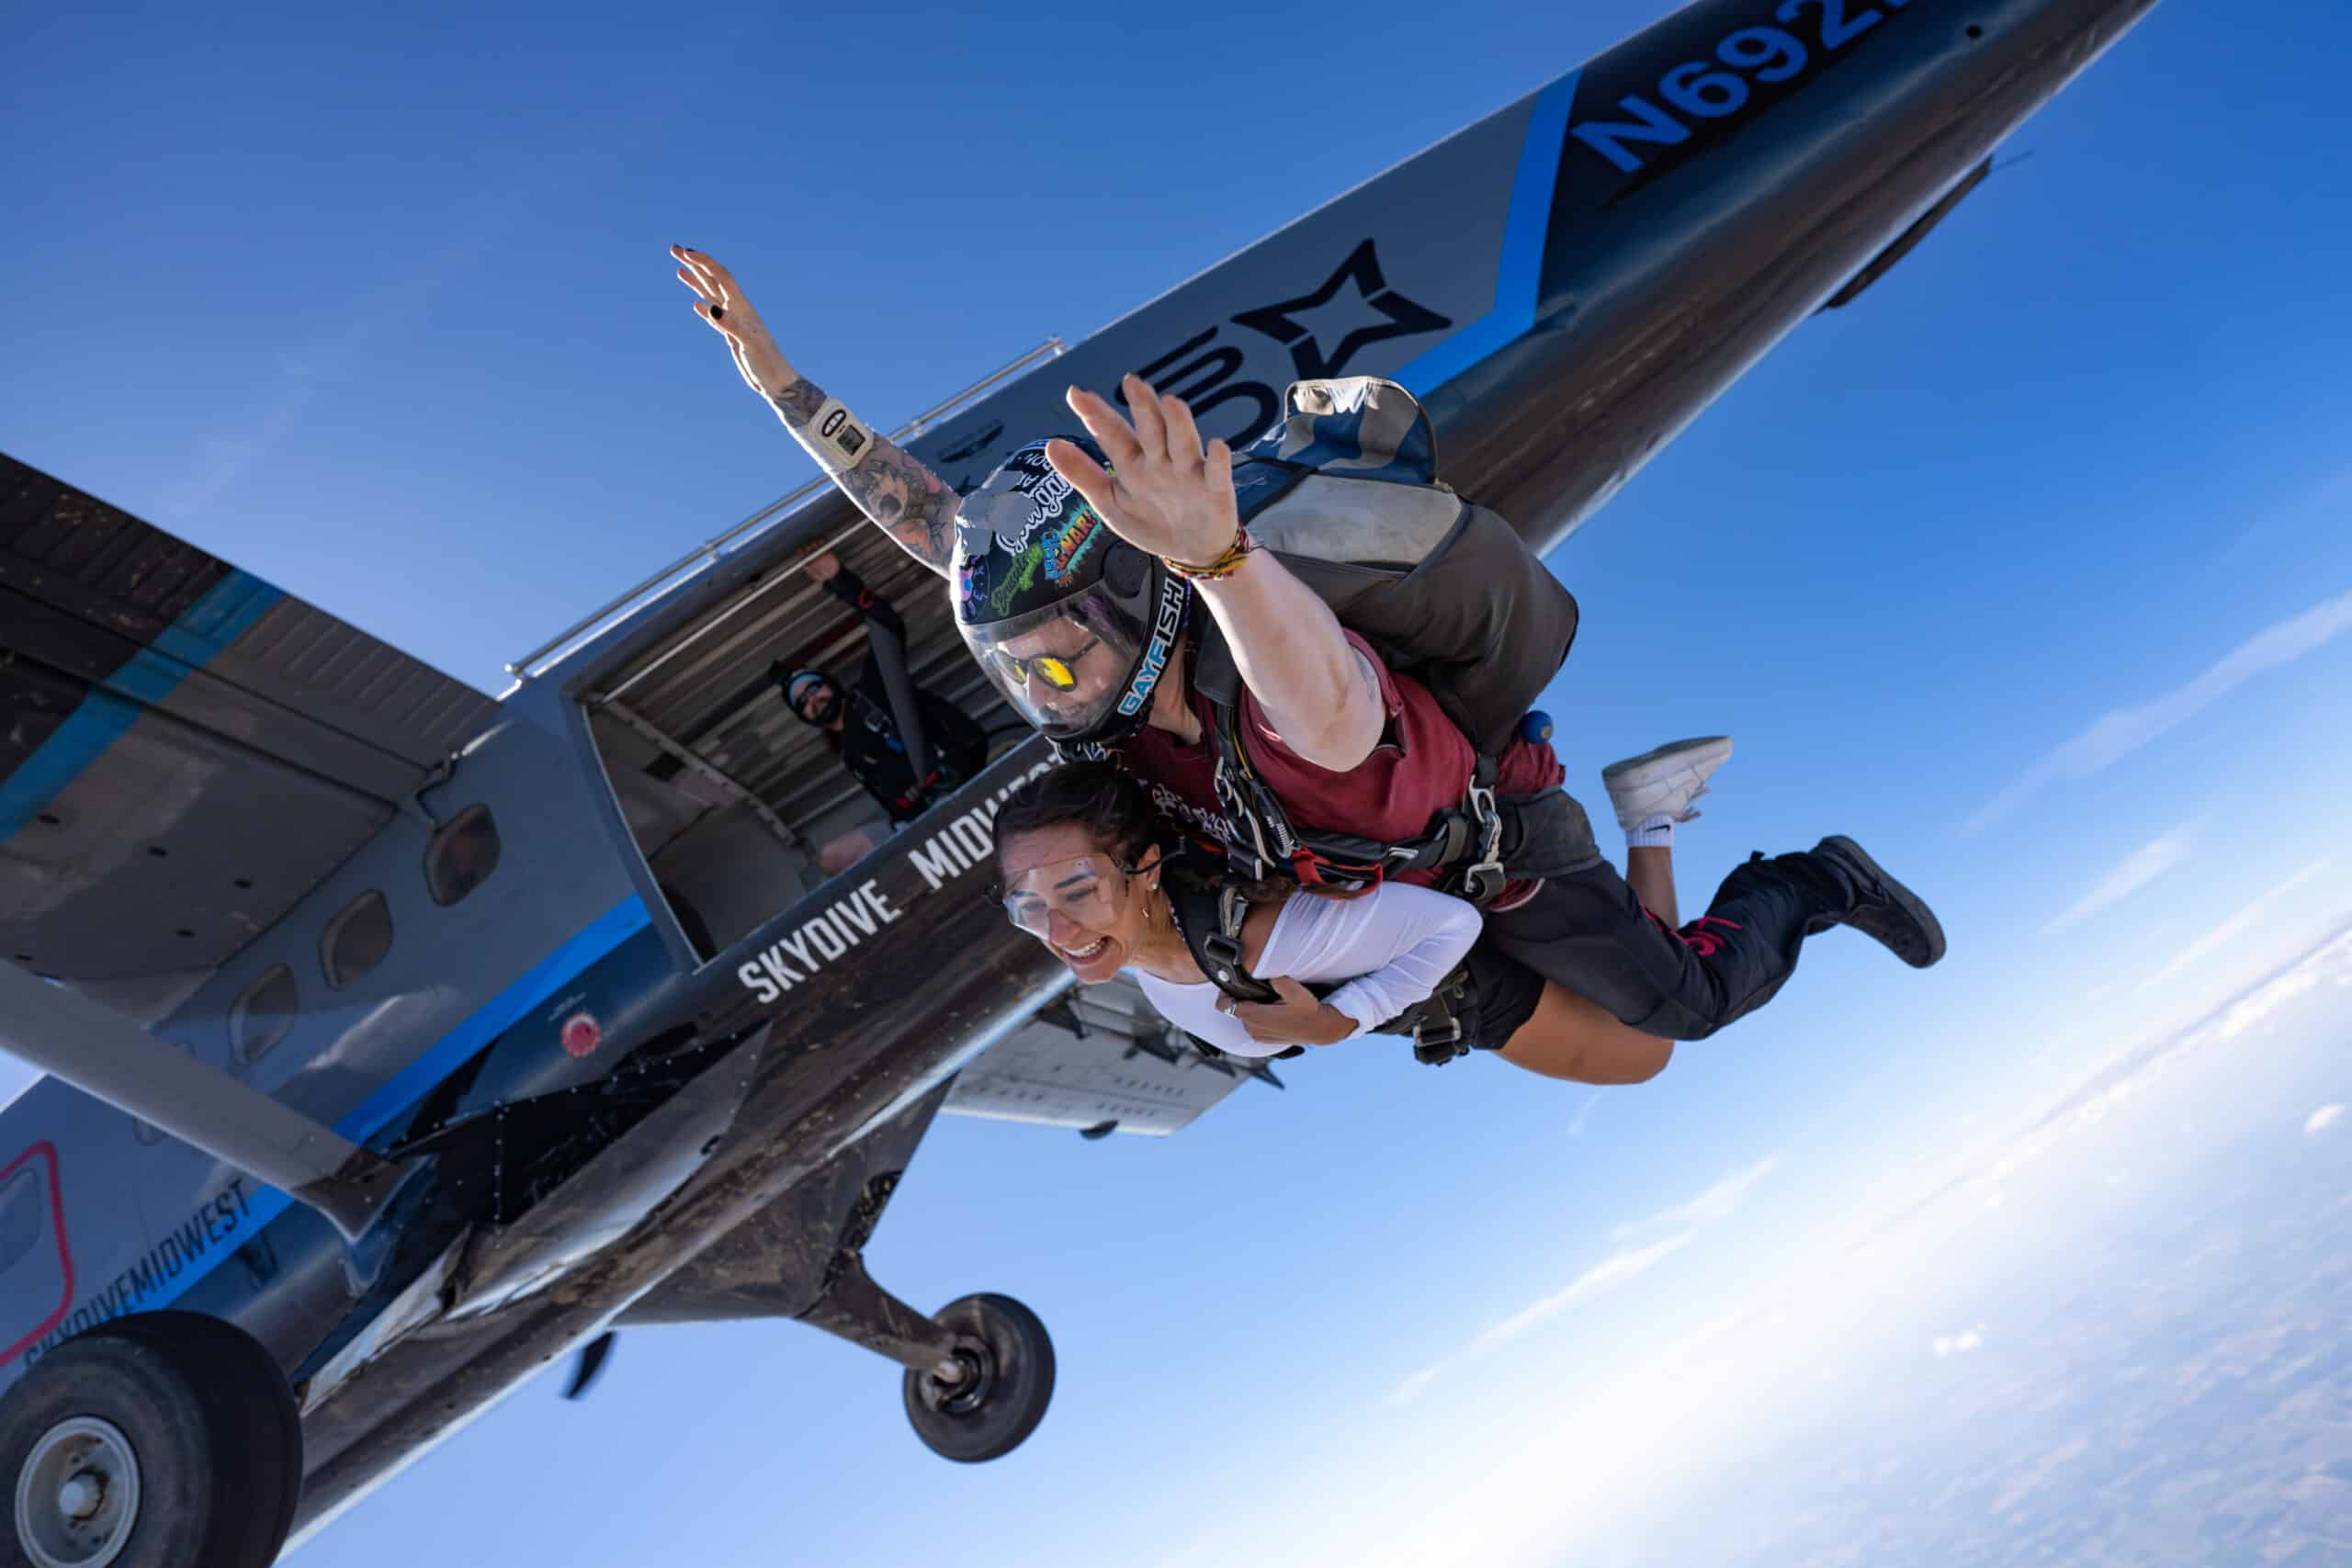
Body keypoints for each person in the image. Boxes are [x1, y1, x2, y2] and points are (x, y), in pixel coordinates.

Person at [673, 245, 1944, 1044]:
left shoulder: (1289, 691)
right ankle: (1661, 814)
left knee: (1680, 1007)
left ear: (1141, 591)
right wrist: (781, 386)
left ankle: (1812, 879)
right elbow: (934, 525)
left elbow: (1317, 696)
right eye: (1026, 665)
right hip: (1387, 882)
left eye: (1066, 646)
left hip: (1495, 853)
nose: (1052, 678)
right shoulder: (1123, 695)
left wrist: (1217, 556)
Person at [994, 761, 1674, 1083]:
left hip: (1472, 989)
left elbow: (1451, 928)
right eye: (1028, 906)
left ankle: (1652, 814)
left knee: (1649, 1049)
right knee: (1646, 1018)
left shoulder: (1259, 940)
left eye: (1076, 890)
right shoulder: (1147, 956)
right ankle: (1652, 814)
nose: (1056, 931)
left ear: (1143, 867)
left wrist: (1341, 1019)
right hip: (1445, 995)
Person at [783, 550, 989, 873]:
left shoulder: (871, 694)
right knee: (830, 858)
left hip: (958, 787)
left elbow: (887, 625)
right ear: (803, 717)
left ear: (830, 683)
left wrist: (840, 579)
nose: (813, 700)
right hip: (915, 827)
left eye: (814, 688)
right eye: (803, 702)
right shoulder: (846, 751)